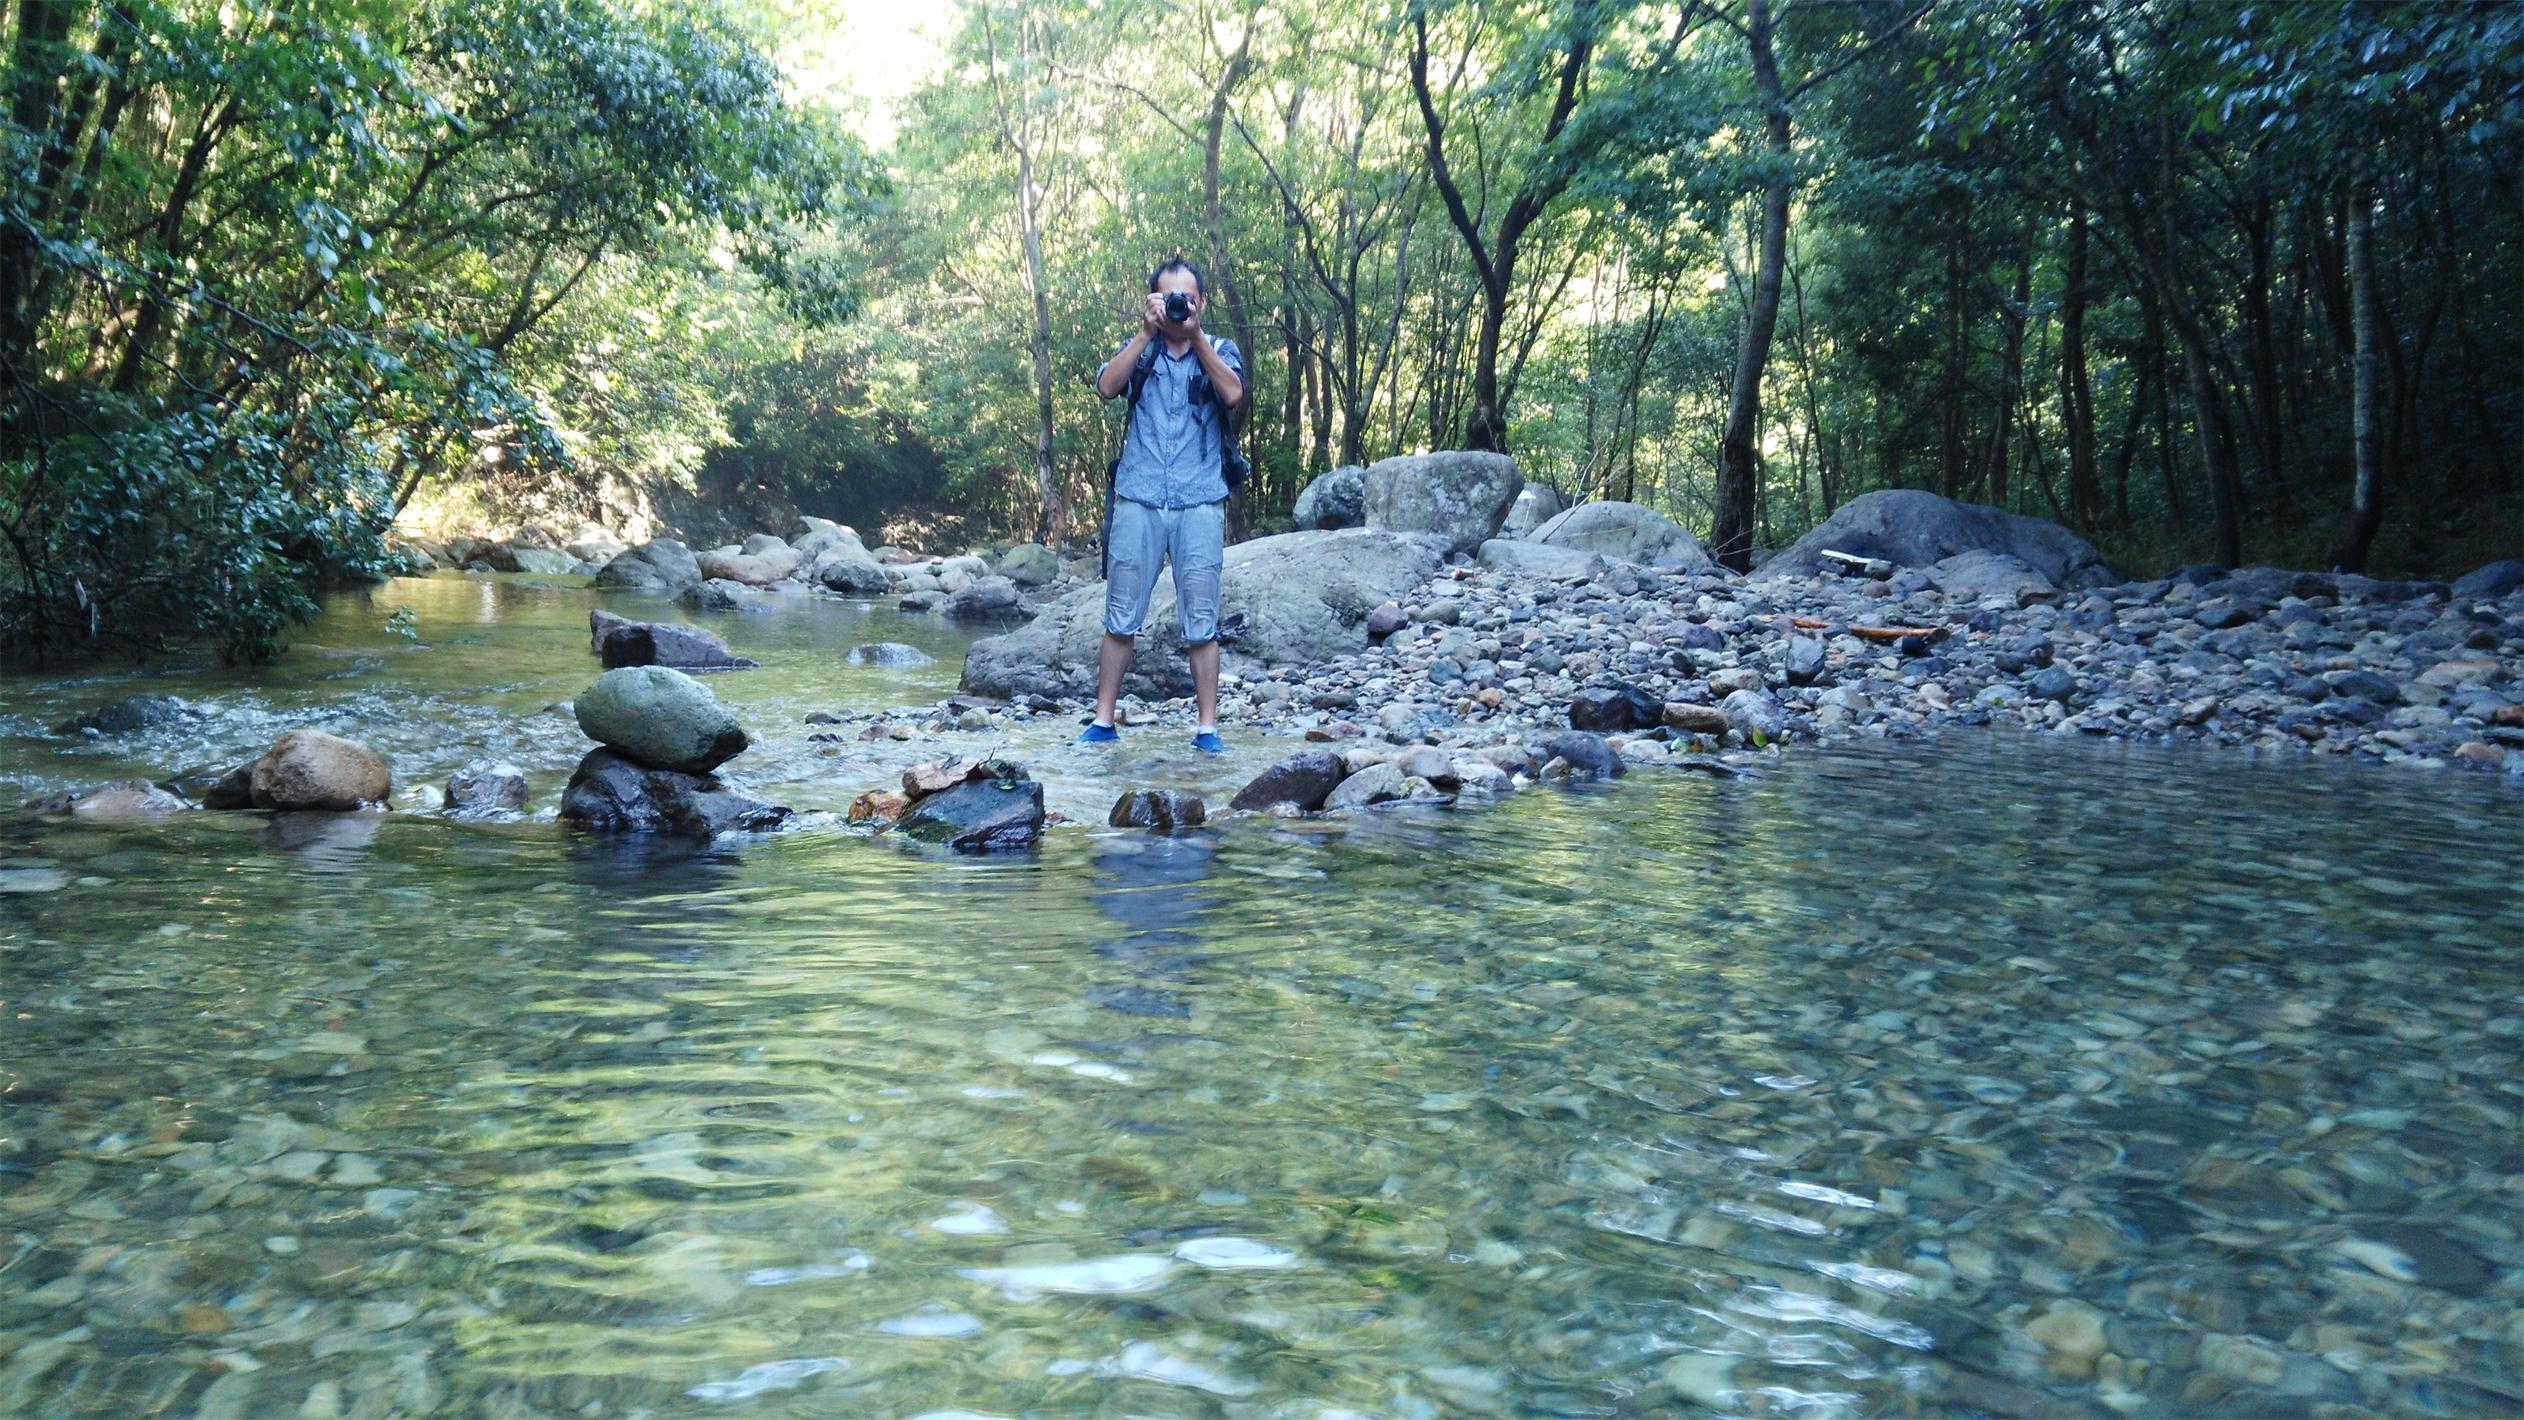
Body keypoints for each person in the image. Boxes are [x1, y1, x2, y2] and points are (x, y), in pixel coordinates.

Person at [1079, 257, 1244, 752]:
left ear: (1201, 302)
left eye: (1187, 297)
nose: (1178, 304)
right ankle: (1103, 722)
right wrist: (1144, 333)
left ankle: (1207, 729)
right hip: (1139, 498)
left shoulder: (1218, 349)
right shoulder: (1142, 350)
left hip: (1199, 501)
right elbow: (1107, 386)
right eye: (1168, 296)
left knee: (1202, 623)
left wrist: (1193, 337)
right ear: (1153, 301)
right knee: (1120, 615)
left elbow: (1233, 393)